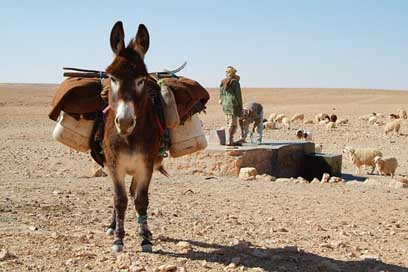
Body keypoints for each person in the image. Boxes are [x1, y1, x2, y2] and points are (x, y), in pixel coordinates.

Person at [219, 66, 243, 146]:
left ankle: (229, 140)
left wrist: (221, 100)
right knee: (233, 124)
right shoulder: (235, 82)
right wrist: (240, 107)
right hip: (233, 104)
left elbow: (221, 94)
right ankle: (229, 140)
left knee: (228, 122)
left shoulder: (223, 82)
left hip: (225, 104)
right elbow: (238, 96)